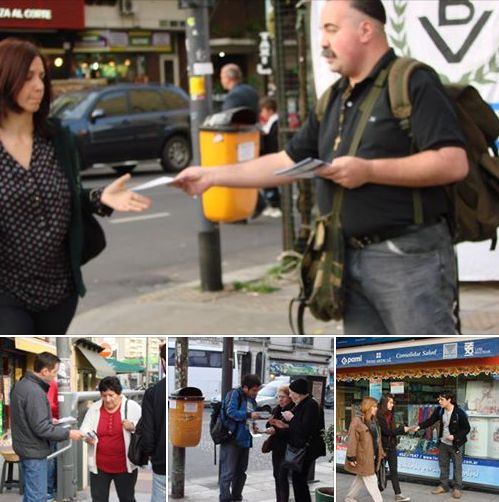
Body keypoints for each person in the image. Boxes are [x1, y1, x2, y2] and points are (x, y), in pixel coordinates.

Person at [172, 0, 468, 335]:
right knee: (367, 365)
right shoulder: (334, 97)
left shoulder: (413, 82)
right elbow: (287, 162)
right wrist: (212, 176)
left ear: (366, 30)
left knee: (424, 362)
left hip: (407, 258)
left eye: (331, 29)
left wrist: (369, 171)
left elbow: (452, 162)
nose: (323, 42)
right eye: (321, 31)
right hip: (346, 258)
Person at [0, 38, 151, 335]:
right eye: (28, 77)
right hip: (7, 291)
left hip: (60, 291)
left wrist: (100, 197)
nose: (39, 86)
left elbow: (68, 195)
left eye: (42, 77)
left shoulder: (58, 138)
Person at [11, 352, 86, 502]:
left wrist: (47, 419)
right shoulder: (35, 391)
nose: (55, 377)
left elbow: (27, 417)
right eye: (54, 372)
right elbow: (41, 429)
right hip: (34, 451)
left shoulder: (22, 385)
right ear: (45, 371)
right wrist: (69, 433)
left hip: (24, 447)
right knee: (37, 496)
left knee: (31, 493)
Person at [80, 376, 142, 502]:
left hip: (125, 466)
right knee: (98, 499)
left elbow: (144, 428)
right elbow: (84, 429)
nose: (107, 399)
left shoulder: (132, 407)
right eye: (104, 395)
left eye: (111, 395)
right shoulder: (95, 408)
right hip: (100, 466)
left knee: (127, 498)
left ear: (119, 394)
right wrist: (88, 437)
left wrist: (133, 427)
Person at [413, 393, 470, 499]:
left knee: (457, 466)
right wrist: (419, 426)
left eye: (442, 399)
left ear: (449, 400)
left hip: (456, 444)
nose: (439, 401)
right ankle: (444, 486)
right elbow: (430, 421)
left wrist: (455, 436)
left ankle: (457, 488)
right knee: (443, 464)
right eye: (439, 399)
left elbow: (466, 428)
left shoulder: (459, 413)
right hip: (443, 443)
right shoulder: (440, 410)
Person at [278, 378, 326, 502]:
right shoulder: (304, 403)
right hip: (304, 447)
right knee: (298, 479)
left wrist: (291, 419)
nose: (290, 396)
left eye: (291, 393)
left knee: (299, 480)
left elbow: (306, 429)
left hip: (307, 449)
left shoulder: (310, 404)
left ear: (298, 392)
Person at [219, 373, 263, 502]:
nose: (256, 393)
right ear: (245, 387)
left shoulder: (252, 400)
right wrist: (249, 414)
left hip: (245, 439)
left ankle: (237, 496)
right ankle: (225, 499)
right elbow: (231, 412)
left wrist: (254, 426)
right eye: (254, 390)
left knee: (241, 472)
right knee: (228, 473)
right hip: (232, 439)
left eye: (257, 390)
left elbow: (249, 418)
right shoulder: (235, 395)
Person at [345, 396, 384, 502]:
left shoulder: (374, 421)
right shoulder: (357, 421)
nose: (376, 409)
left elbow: (377, 439)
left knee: (360, 479)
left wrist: (381, 452)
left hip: (373, 456)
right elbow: (352, 440)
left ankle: (349, 498)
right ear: (368, 407)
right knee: (372, 480)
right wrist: (351, 457)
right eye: (374, 407)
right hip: (363, 457)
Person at [377, 394, 414, 502]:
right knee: (377, 471)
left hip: (391, 447)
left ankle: (398, 494)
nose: (392, 405)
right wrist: (403, 429)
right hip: (382, 447)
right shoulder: (379, 415)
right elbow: (386, 432)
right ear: (384, 403)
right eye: (390, 403)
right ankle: (375, 491)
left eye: (393, 403)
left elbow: (391, 431)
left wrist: (403, 430)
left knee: (394, 471)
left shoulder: (391, 414)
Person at [142, 343, 166, 502]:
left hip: (160, 460)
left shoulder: (152, 393)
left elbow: (148, 429)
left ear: (163, 362)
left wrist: (149, 453)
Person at [263, 384, 294, 502]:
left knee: (282, 476)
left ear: (290, 397)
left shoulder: (292, 410)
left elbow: (291, 431)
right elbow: (268, 424)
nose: (280, 399)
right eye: (278, 397)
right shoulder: (277, 409)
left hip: (286, 448)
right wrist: (271, 425)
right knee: (277, 476)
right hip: (276, 447)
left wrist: (276, 429)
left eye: (283, 397)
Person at [259, 96, 281, 211]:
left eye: (263, 111)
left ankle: (274, 203)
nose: (261, 114)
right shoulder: (273, 123)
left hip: (272, 155)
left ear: (269, 110)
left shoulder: (274, 123)